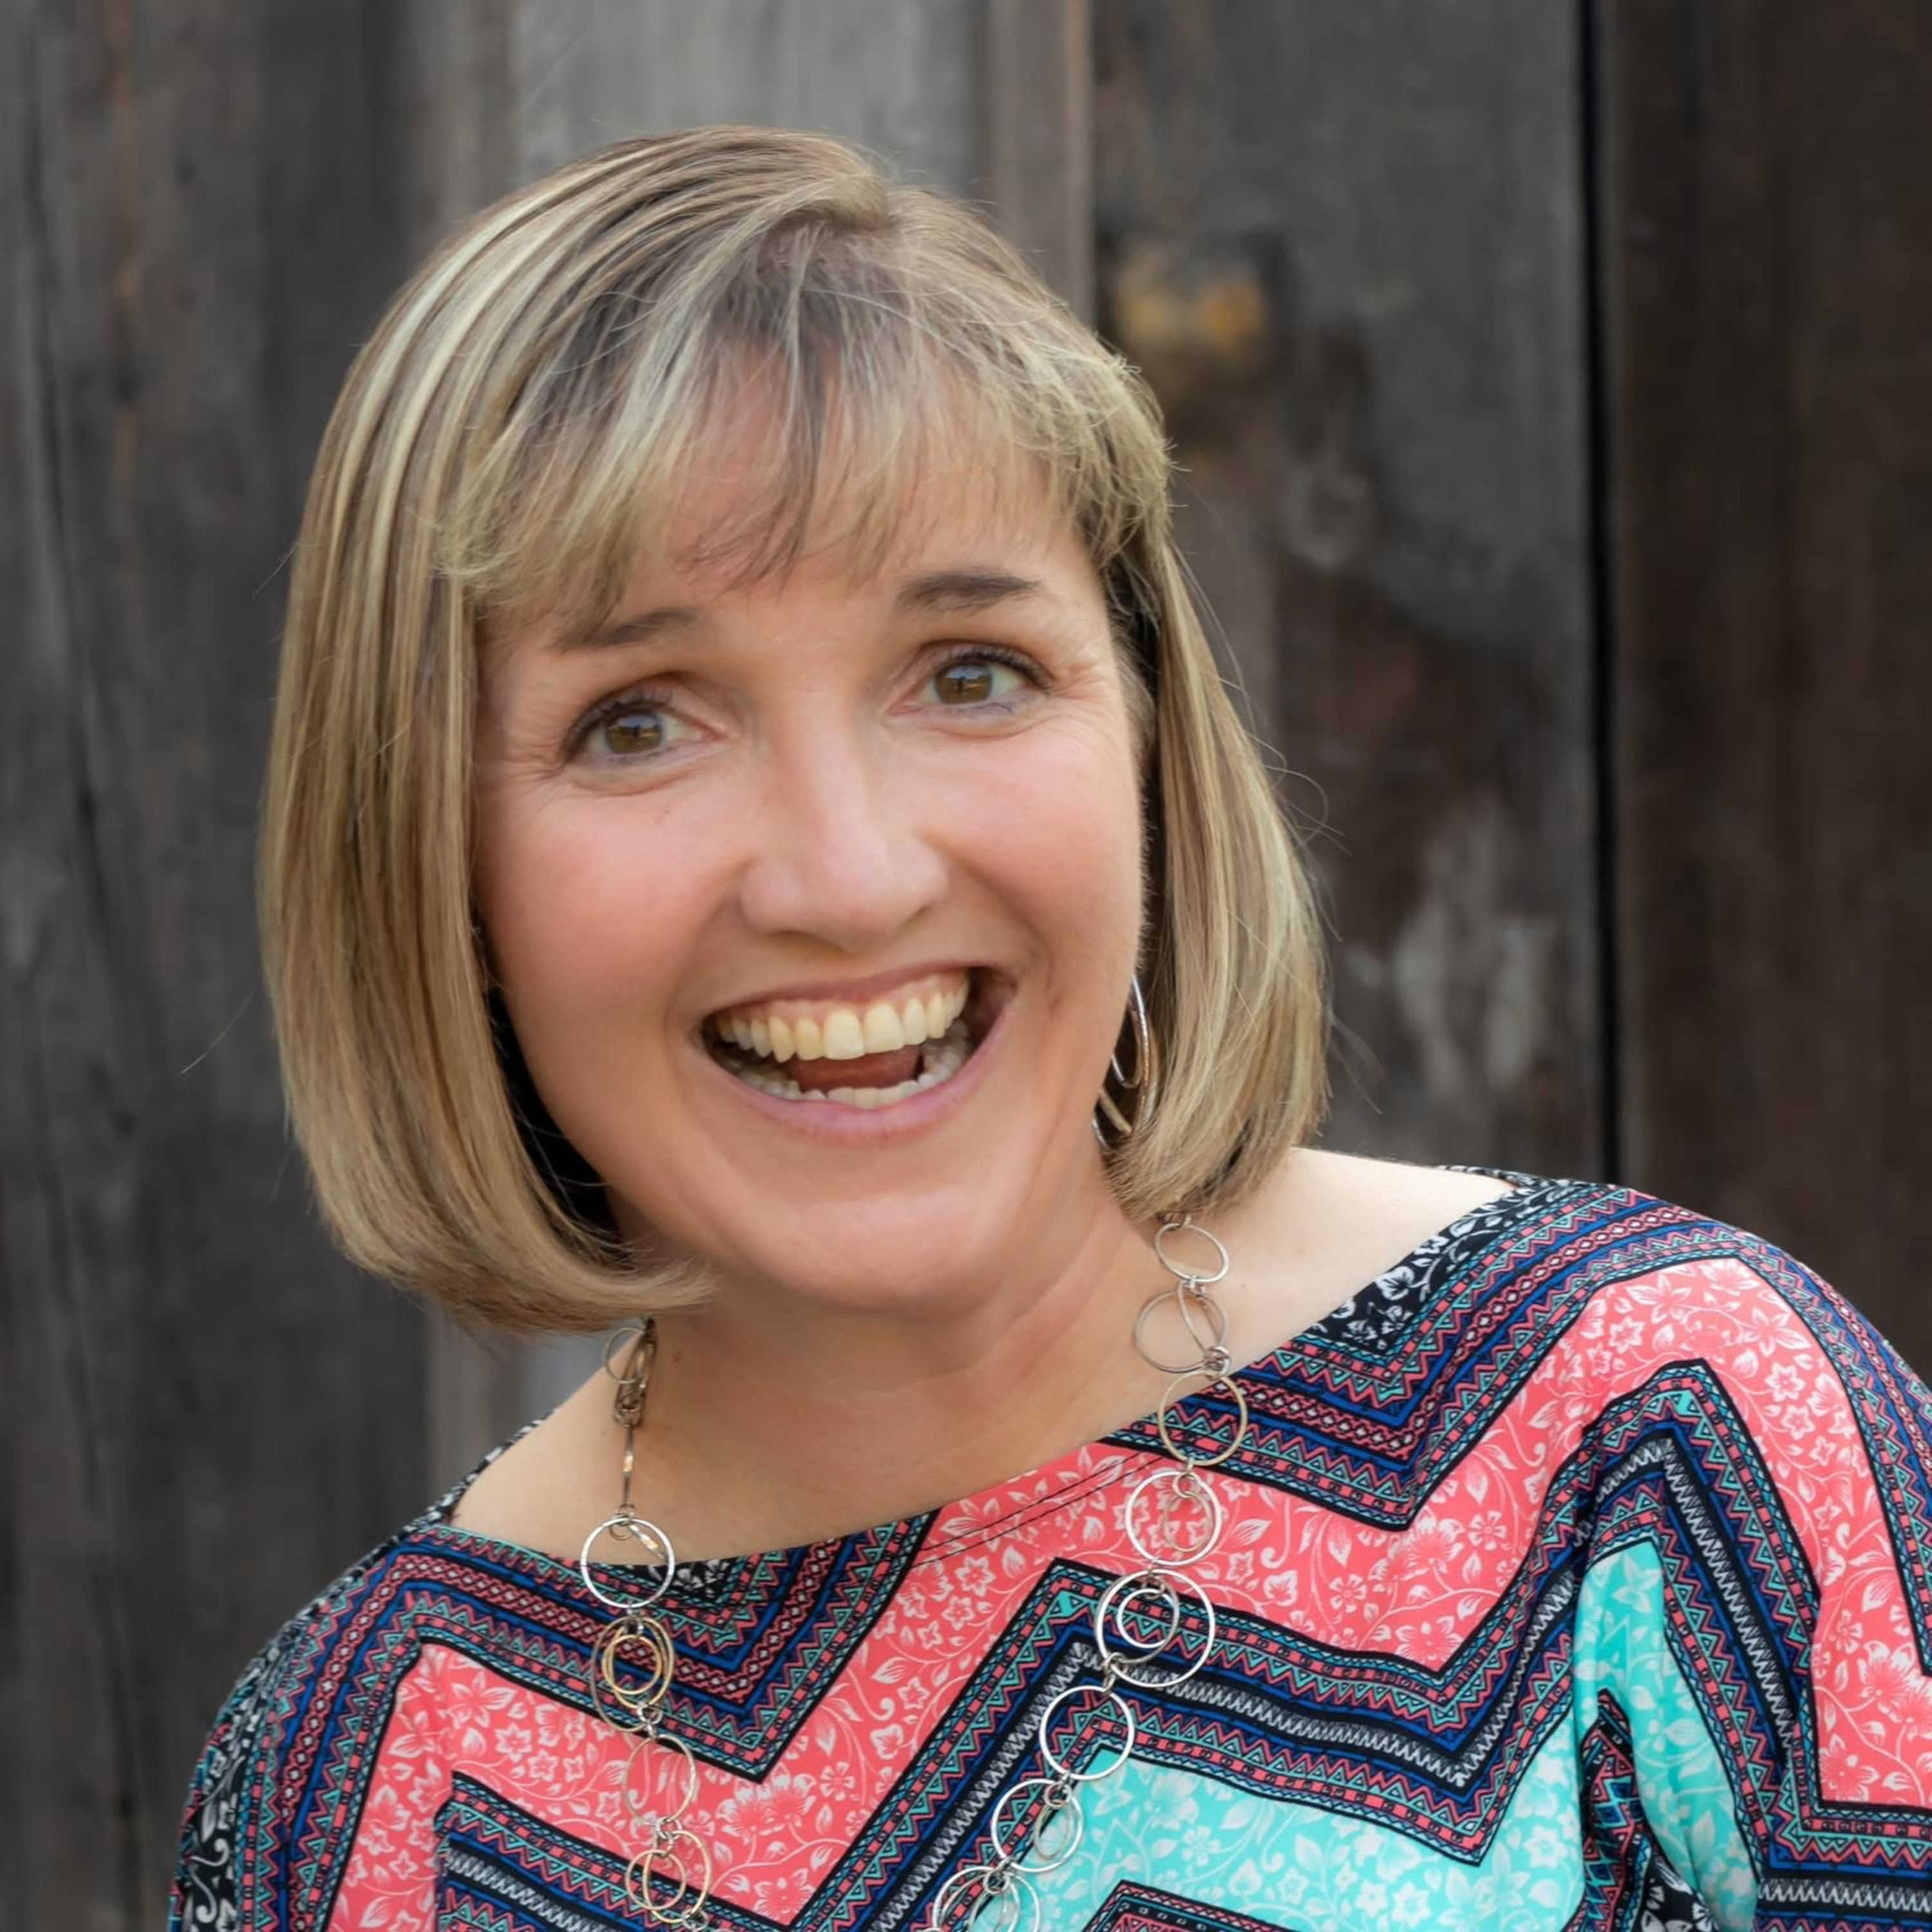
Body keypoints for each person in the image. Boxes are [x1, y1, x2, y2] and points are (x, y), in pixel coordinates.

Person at [167, 126, 1932, 1931]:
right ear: (435, 863)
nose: (852, 877)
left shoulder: (1660, 1439)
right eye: (639, 722)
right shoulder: (360, 1796)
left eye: (971, 673)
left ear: (1145, 742)